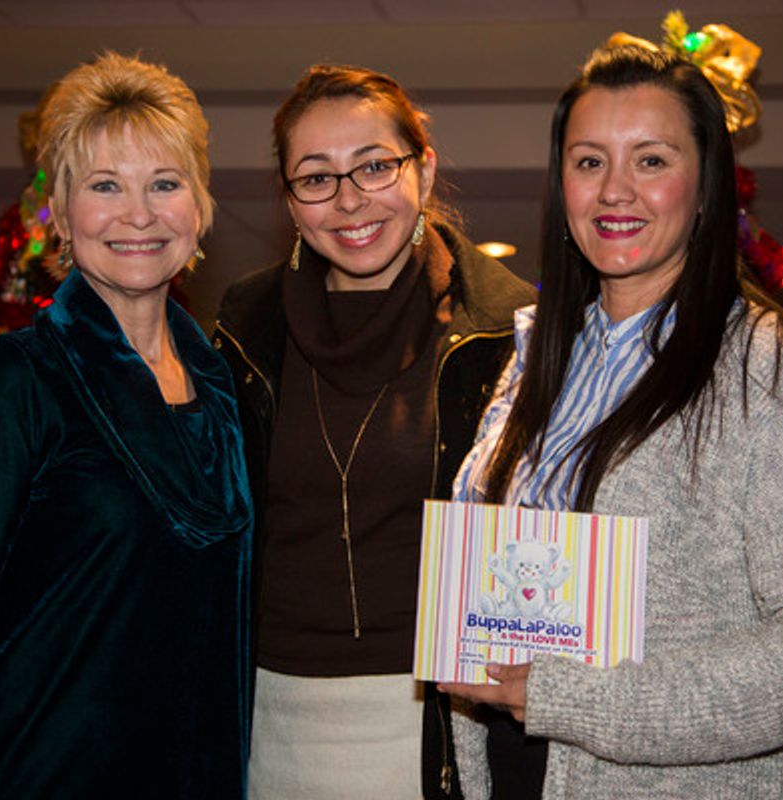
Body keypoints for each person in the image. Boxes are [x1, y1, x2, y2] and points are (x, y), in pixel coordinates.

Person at [441, 33, 783, 798]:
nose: (615, 190)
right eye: (589, 162)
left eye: (651, 160)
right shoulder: (535, 357)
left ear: (707, 186)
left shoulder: (763, 365)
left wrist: (568, 696)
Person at [0, 52, 254, 799]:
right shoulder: (17, 379)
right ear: (60, 208)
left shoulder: (223, 391)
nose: (138, 214)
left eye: (164, 183)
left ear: (201, 203)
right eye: (104, 186)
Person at [213, 64, 535, 799]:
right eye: (316, 177)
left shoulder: (509, 334)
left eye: (375, 166)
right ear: (290, 201)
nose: (350, 198)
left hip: (439, 723)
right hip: (269, 719)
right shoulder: (242, 332)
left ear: (422, 167)